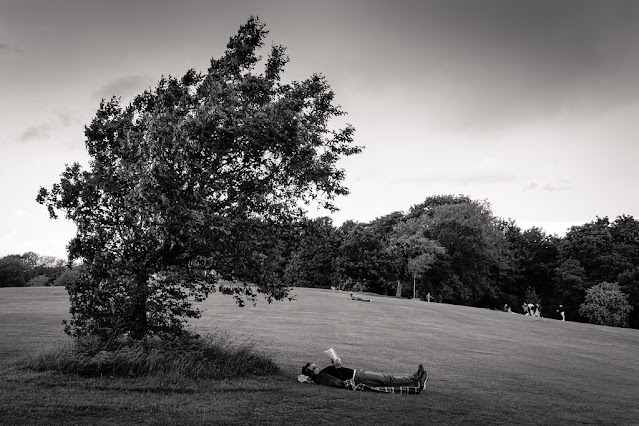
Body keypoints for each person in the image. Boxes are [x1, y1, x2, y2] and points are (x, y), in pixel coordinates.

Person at [301, 361, 428, 394]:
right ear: (311, 373)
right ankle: (415, 377)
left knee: (385, 381)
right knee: (386, 379)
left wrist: (336, 365)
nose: (316, 367)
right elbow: (339, 381)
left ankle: (417, 384)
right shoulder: (321, 377)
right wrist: (338, 367)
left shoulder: (322, 374)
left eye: (315, 365)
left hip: (358, 374)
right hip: (358, 378)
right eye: (314, 368)